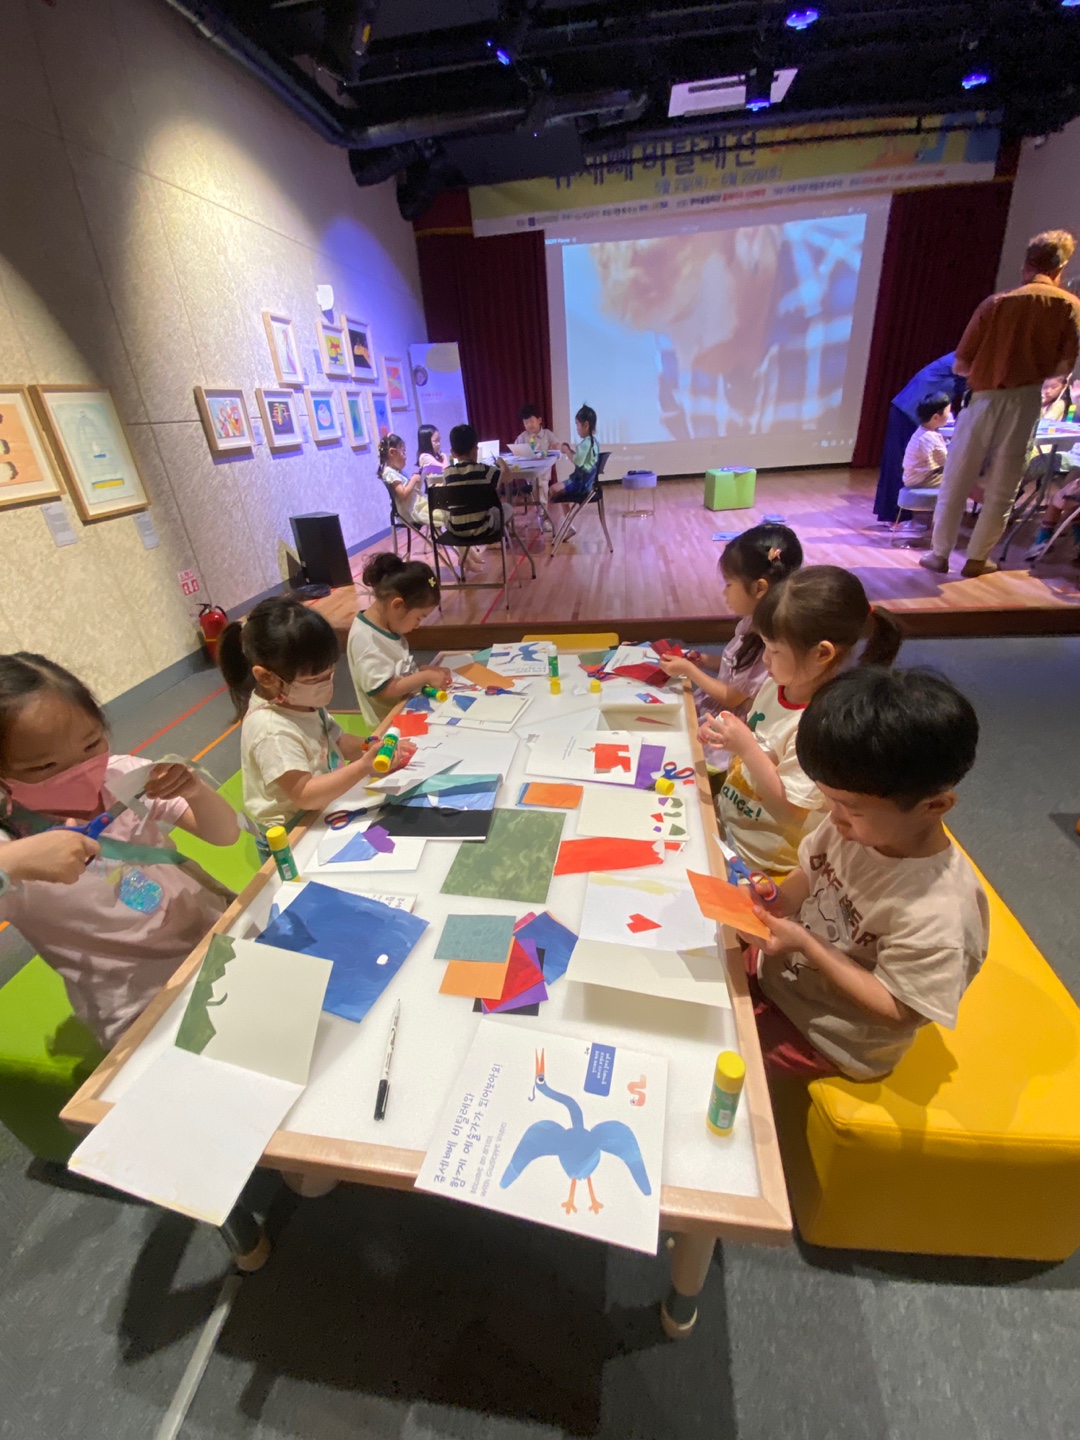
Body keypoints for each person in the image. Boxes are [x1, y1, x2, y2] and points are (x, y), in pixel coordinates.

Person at [739, 666, 989, 1081]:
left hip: (825, 1035)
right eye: (829, 799)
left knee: (717, 1056)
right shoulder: (854, 827)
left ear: (934, 806)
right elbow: (810, 871)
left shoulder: (942, 912)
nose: (833, 816)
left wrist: (808, 944)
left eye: (850, 808)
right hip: (780, 974)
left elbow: (900, 1011)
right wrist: (780, 901)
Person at [0, 653, 240, 1048]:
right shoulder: (10, 844)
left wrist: (194, 791)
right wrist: (13, 862)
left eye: (92, 743)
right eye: (45, 766)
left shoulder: (123, 774)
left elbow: (225, 835)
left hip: (220, 937)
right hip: (144, 1007)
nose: (82, 770)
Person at [701, 566, 902, 877]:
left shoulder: (823, 726)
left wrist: (745, 746)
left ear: (822, 654)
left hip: (767, 863)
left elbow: (791, 809)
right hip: (735, 832)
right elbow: (763, 739)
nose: (764, 659)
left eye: (774, 649)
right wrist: (725, 734)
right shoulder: (776, 684)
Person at [920, 230, 1080, 578]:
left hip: (983, 399)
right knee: (1004, 486)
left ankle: (939, 554)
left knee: (956, 480)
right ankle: (978, 559)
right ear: (1061, 267)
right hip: (1025, 400)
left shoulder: (996, 304)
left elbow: (961, 364)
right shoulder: (1070, 306)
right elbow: (1063, 368)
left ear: (1026, 265)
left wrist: (993, 364)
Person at [219, 596, 414, 842]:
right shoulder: (271, 730)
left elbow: (337, 740)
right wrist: (364, 766)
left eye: (329, 674)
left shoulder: (300, 700)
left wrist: (372, 746)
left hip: (321, 811)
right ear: (267, 678)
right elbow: (304, 794)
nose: (327, 685)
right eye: (314, 680)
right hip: (290, 834)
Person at [657, 523, 803, 774]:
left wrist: (689, 671)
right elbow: (734, 666)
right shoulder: (749, 622)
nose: (724, 593)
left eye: (728, 585)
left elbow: (731, 696)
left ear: (759, 588)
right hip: (716, 708)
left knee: (681, 752)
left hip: (729, 724)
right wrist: (706, 660)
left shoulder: (767, 641)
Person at [348, 554, 453, 727]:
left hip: (406, 709)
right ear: (397, 605)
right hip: (389, 728)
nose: (417, 625)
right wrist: (424, 676)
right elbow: (384, 690)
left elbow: (396, 668)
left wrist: (421, 669)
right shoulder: (366, 640)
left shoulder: (388, 625)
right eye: (419, 618)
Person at [873, 353, 965, 521]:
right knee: (900, 465)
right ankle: (895, 517)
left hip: (908, 408)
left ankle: (897, 515)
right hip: (910, 410)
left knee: (899, 464)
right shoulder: (965, 359)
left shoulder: (961, 358)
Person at [439, 423, 514, 569]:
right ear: (476, 449)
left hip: (456, 530)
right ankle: (500, 541)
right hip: (483, 529)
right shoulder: (486, 471)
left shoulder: (447, 474)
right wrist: (501, 463)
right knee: (506, 507)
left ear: (452, 453)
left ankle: (465, 556)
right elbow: (509, 477)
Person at [548, 404, 600, 504]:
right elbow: (580, 458)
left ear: (586, 425)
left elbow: (577, 461)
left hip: (581, 484)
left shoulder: (586, 444)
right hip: (587, 483)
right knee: (559, 492)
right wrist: (568, 450)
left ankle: (548, 513)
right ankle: (568, 515)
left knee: (553, 489)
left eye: (577, 424)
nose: (577, 428)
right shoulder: (593, 442)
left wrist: (567, 451)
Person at [900, 393, 951, 489]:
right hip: (921, 481)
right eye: (948, 412)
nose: (950, 415)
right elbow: (948, 462)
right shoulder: (929, 438)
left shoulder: (922, 431)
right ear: (935, 417)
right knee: (958, 478)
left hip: (915, 478)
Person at [514, 404, 562, 505]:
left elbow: (558, 447)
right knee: (536, 489)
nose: (529, 425)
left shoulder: (547, 434)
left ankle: (542, 511)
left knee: (541, 486)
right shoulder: (522, 437)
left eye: (531, 421)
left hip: (543, 475)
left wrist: (556, 447)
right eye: (526, 423)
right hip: (529, 474)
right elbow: (516, 452)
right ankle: (541, 511)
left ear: (539, 420)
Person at [379, 433, 429, 528]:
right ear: (392, 452)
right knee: (438, 512)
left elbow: (413, 491)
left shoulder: (399, 472)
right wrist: (413, 480)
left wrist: (419, 479)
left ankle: (435, 536)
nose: (405, 456)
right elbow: (403, 494)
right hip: (410, 511)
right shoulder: (389, 473)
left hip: (415, 506)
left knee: (439, 508)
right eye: (403, 452)